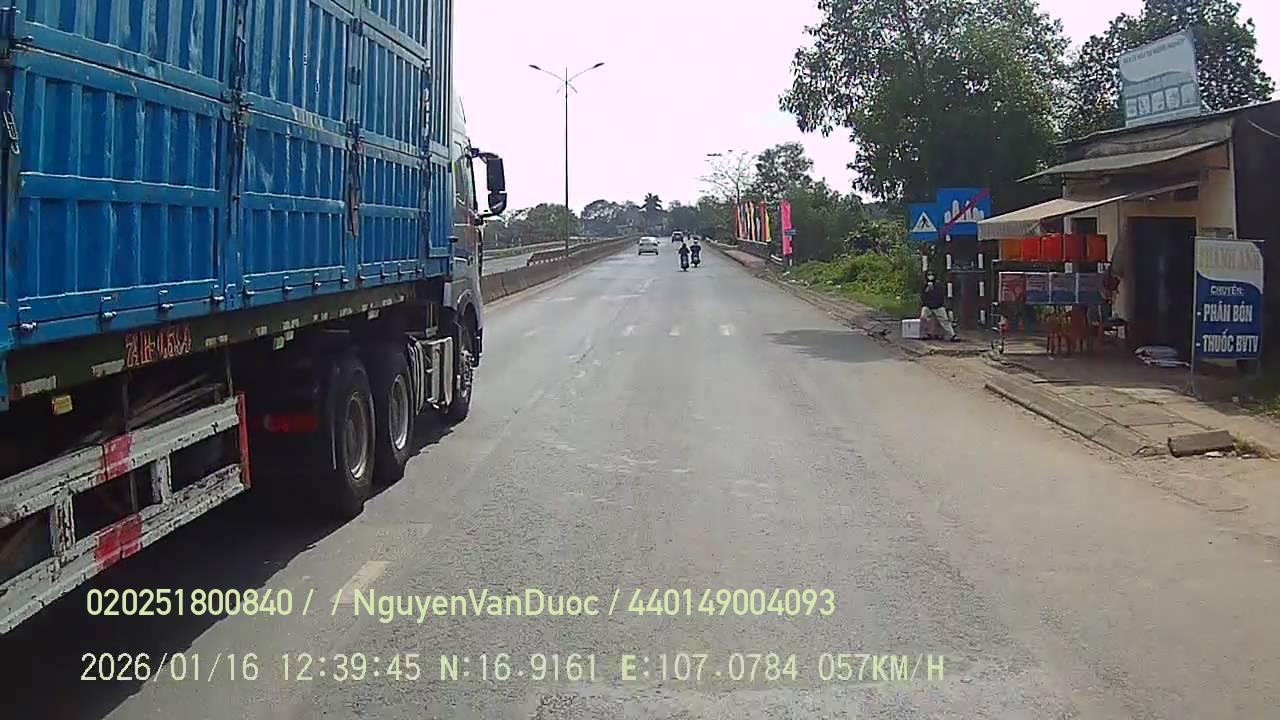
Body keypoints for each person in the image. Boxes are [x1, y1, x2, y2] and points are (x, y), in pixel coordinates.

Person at [919, 272, 958, 341]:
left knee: (944, 320)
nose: (930, 276)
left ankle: (952, 334)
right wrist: (927, 290)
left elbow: (941, 295)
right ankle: (925, 334)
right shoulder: (924, 285)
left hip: (938, 306)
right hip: (928, 306)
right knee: (923, 317)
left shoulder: (938, 285)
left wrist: (938, 303)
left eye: (932, 275)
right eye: (929, 275)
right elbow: (922, 296)